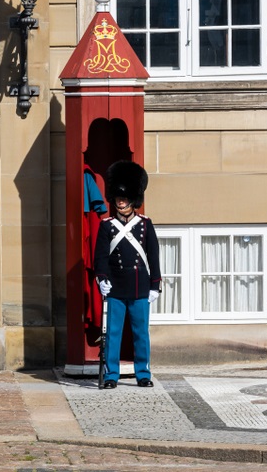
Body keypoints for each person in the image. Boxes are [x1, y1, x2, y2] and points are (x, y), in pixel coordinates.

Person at [93, 160, 161, 389]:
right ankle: (112, 375)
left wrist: (155, 285)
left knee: (141, 334)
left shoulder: (145, 224)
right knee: (113, 334)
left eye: (124, 198)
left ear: (133, 200)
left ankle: (143, 372)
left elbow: (153, 256)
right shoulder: (107, 225)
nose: (120, 201)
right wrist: (102, 280)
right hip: (116, 288)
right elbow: (100, 257)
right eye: (118, 198)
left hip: (140, 286)